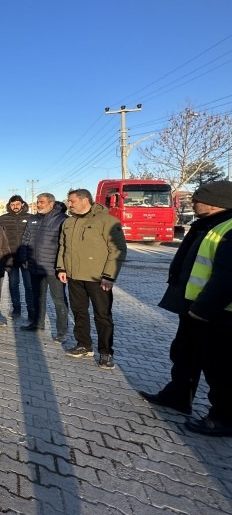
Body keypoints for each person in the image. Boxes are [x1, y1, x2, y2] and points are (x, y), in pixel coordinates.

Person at [138, 181, 232, 436]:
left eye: (197, 199)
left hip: (217, 314)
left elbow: (228, 279)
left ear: (215, 202)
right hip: (193, 306)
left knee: (219, 366)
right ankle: (178, 396)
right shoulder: (206, 224)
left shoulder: (229, 228)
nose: (192, 203)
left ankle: (224, 417)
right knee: (184, 354)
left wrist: (202, 309)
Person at [56, 188, 127, 369]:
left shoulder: (107, 221)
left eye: (71, 201)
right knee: (79, 312)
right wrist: (62, 267)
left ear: (85, 200)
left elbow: (118, 249)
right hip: (74, 276)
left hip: (99, 278)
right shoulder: (69, 222)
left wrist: (109, 276)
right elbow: (62, 246)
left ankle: (106, 353)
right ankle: (83, 345)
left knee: (102, 316)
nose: (68, 204)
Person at [19, 193, 69, 340]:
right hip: (35, 266)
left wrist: (63, 267)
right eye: (37, 202)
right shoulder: (33, 219)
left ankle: (62, 332)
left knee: (59, 300)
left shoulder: (62, 220)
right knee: (38, 297)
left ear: (51, 204)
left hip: (54, 269)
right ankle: (37, 324)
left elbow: (66, 245)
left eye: (41, 202)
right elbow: (25, 239)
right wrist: (24, 257)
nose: (38, 204)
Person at [0, 195, 34, 320]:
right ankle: (16, 309)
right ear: (9, 205)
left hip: (26, 257)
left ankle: (31, 311)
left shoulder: (30, 218)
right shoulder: (3, 219)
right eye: (13, 204)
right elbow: (0, 238)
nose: (15, 206)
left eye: (17, 204)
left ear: (22, 204)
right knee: (13, 284)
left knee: (29, 285)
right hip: (11, 257)